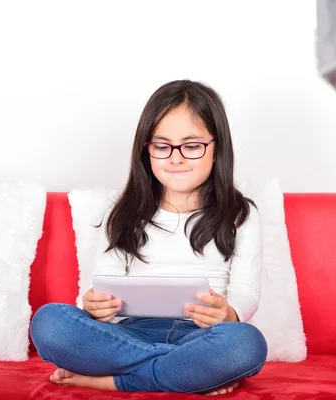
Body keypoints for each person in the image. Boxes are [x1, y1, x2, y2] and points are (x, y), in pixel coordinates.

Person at [30, 79, 267, 395]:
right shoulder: (124, 213)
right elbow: (101, 285)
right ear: (146, 150)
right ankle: (187, 372)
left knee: (246, 343)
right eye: (162, 145)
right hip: (127, 335)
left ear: (217, 148)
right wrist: (91, 306)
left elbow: (246, 291)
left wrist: (230, 313)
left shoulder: (241, 214)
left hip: (201, 335)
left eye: (192, 146)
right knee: (49, 322)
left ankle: (115, 380)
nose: (176, 158)